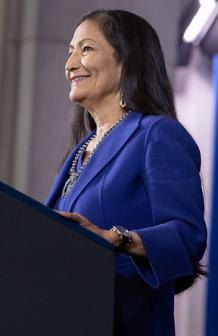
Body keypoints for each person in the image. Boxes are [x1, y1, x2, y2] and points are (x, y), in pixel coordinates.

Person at [44, 9, 207, 336]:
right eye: (70, 51)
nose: (70, 64)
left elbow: (187, 237)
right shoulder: (79, 152)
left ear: (127, 59)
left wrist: (116, 238)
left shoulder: (157, 134)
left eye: (86, 49)